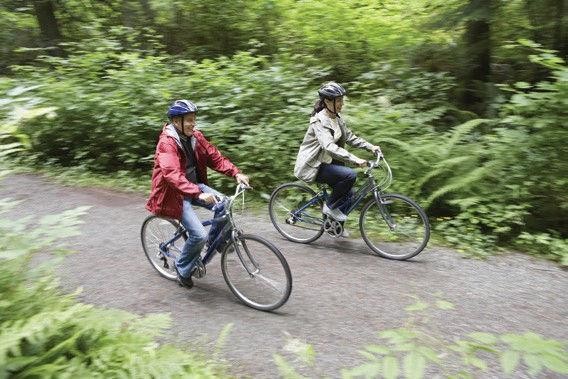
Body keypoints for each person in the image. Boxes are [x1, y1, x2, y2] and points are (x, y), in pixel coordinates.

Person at [146, 99, 250, 288]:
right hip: (175, 194)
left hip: (194, 187)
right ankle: (182, 269)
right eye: (190, 120)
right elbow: (172, 174)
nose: (194, 124)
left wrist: (236, 173)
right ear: (177, 121)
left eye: (194, 119)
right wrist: (198, 193)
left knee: (225, 204)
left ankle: (215, 242)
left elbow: (215, 158)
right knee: (198, 235)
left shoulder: (196, 137)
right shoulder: (166, 143)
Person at [294, 82, 382, 230]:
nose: (342, 104)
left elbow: (350, 137)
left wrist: (371, 147)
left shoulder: (336, 118)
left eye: (342, 100)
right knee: (350, 175)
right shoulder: (319, 121)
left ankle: (334, 227)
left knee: (351, 193)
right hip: (314, 165)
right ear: (328, 101)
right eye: (338, 100)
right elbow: (328, 146)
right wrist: (355, 159)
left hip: (327, 163)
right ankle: (329, 208)